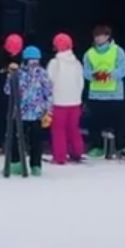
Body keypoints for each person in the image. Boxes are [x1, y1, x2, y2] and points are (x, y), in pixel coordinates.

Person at [82, 25, 125, 159]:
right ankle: (97, 147)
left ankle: (121, 147)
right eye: (96, 36)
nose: (98, 39)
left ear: (108, 36)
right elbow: (85, 71)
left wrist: (110, 75)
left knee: (119, 123)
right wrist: (95, 75)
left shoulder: (118, 51)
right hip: (96, 95)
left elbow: (124, 69)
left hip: (115, 94)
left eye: (101, 35)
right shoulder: (89, 53)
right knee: (94, 123)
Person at [2, 46, 51, 175]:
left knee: (36, 141)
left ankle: (36, 165)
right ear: (25, 60)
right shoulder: (18, 73)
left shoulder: (42, 73)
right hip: (19, 113)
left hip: (37, 114)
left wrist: (48, 110)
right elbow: (7, 91)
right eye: (31, 60)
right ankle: (16, 163)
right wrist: (10, 76)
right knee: (16, 140)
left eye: (37, 60)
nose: (34, 63)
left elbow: (48, 92)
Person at [46, 32, 85, 165]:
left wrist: (48, 101)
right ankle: (77, 152)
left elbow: (49, 83)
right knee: (73, 128)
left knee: (58, 130)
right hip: (75, 102)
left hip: (59, 102)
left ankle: (60, 156)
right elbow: (81, 83)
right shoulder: (77, 63)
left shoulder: (54, 63)